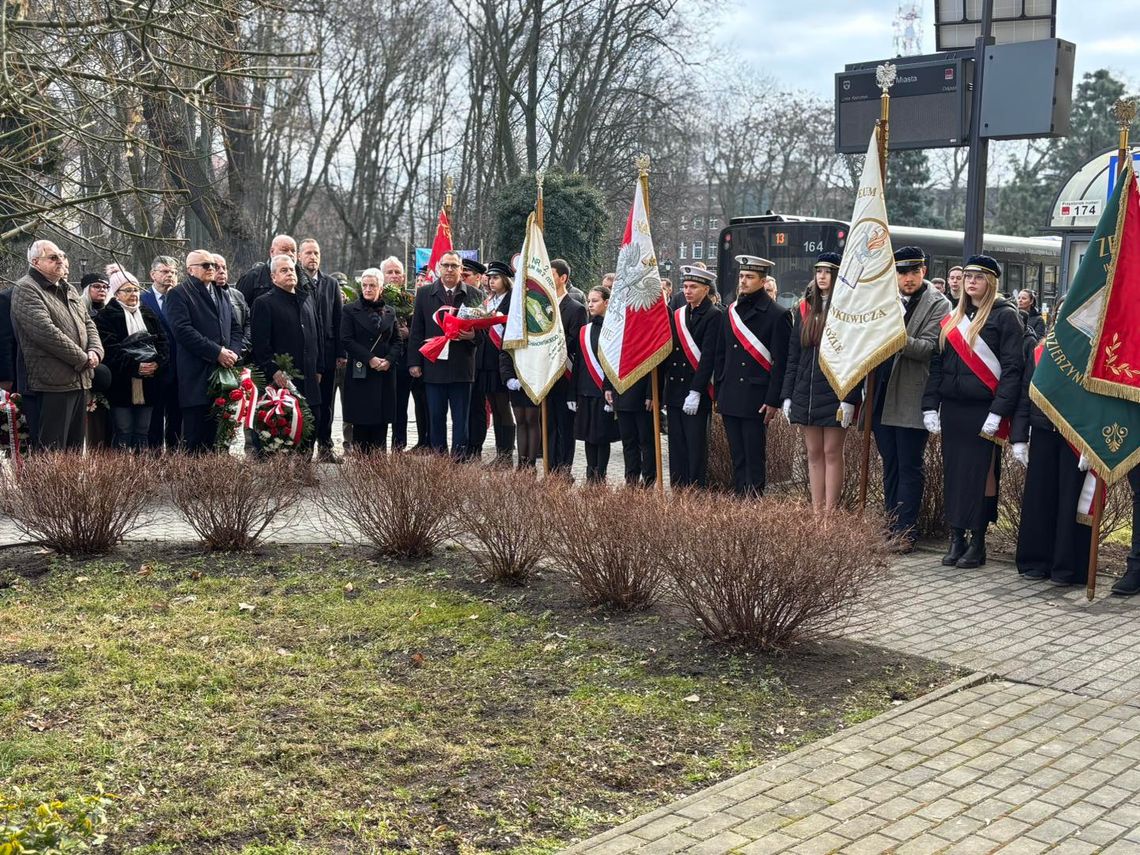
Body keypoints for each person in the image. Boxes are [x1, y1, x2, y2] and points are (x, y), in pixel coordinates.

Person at [923, 255, 1023, 569]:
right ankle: (957, 536)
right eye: (968, 276)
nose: (971, 282)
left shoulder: (1006, 316)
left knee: (982, 475)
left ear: (991, 282)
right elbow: (936, 367)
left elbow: (1012, 369)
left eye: (979, 277)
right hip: (953, 409)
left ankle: (977, 540)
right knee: (954, 474)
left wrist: (999, 411)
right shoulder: (953, 317)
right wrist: (930, 405)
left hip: (984, 411)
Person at [872, 246, 951, 551]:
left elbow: (928, 348)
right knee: (889, 464)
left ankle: (905, 532)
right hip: (882, 395)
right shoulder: (887, 300)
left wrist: (892, 334)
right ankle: (890, 525)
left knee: (909, 465)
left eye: (913, 272)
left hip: (911, 396)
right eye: (902, 273)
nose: (907, 279)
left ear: (923, 273)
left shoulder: (938, 304)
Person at [781, 252, 861, 512]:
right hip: (806, 390)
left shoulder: (848, 312)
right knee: (813, 453)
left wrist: (849, 398)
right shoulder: (804, 308)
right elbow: (793, 356)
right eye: (818, 271)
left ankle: (830, 513)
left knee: (831, 452)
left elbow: (855, 358)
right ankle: (817, 513)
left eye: (828, 271)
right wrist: (788, 395)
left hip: (835, 391)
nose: (822, 276)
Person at [1011, 336, 1092, 587]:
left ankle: (1066, 567)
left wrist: (1091, 445)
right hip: (1043, 431)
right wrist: (1019, 437)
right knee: (1039, 499)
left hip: (1074, 438)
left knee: (1070, 502)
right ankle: (1036, 561)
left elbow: (1096, 402)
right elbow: (1027, 394)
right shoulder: (1040, 351)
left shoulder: (1092, 353)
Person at [11, 239, 103, 450]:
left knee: (74, 450)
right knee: (52, 451)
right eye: (53, 257)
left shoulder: (68, 288)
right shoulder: (26, 288)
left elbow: (88, 323)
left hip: (79, 379)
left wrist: (96, 351)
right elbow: (45, 332)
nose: (61, 260)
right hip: (51, 383)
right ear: (35, 262)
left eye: (62, 256)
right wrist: (82, 358)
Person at [715, 255, 790, 497]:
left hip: (756, 396)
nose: (743, 282)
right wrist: (720, 389)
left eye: (749, 277)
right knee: (737, 454)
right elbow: (721, 354)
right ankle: (740, 499)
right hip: (730, 394)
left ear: (762, 280)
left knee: (754, 455)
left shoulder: (777, 314)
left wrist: (773, 400)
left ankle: (754, 502)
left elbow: (781, 363)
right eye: (741, 276)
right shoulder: (730, 312)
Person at [165, 249, 243, 453]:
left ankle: (213, 482)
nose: (212, 269)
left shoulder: (221, 293)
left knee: (219, 435)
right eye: (206, 265)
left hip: (223, 374)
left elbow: (235, 327)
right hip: (196, 374)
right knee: (196, 437)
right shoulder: (178, 293)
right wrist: (217, 352)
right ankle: (195, 482)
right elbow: (182, 330)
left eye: (214, 265)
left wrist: (233, 352)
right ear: (190, 270)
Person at [407, 250, 479, 457]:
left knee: (460, 418)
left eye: (454, 266)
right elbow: (416, 331)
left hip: (462, 366)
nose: (449, 269)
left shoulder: (474, 295)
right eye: (446, 265)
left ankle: (459, 458)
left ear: (461, 269)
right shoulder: (424, 293)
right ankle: (439, 459)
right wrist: (414, 363)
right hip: (434, 365)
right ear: (439, 268)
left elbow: (482, 334)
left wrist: (471, 336)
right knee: (436, 416)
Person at [95, 264, 169, 451]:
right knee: (124, 430)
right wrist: (135, 366)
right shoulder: (106, 316)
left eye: (136, 289)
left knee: (143, 432)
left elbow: (163, 342)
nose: (133, 294)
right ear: (116, 293)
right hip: (121, 383)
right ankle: (121, 475)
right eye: (127, 290)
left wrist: (156, 363)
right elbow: (109, 350)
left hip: (149, 382)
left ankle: (141, 474)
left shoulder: (147, 313)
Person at [664, 266, 722, 488]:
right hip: (675, 390)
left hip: (695, 391)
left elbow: (708, 357)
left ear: (705, 289)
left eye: (693, 287)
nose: (687, 291)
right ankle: (678, 488)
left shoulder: (714, 315)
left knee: (695, 446)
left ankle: (696, 491)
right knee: (676, 445)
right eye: (685, 286)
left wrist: (696, 391)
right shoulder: (678, 314)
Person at [339, 268, 403, 452]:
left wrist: (389, 361)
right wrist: (371, 359)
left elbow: (397, 341)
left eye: (372, 285)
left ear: (380, 288)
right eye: (364, 285)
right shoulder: (350, 310)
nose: (367, 289)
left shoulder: (390, 312)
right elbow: (346, 339)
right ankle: (362, 470)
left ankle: (379, 468)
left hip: (384, 374)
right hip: (362, 373)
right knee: (362, 422)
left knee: (381, 424)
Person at [299, 238, 344, 461]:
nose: (312, 257)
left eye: (316, 253)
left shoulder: (330, 283)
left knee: (326, 403)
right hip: (304, 353)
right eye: (308, 253)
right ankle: (303, 448)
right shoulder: (295, 281)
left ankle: (325, 445)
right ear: (299, 256)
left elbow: (338, 319)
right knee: (306, 402)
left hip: (326, 353)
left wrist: (340, 353)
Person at [545, 258, 588, 476]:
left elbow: (576, 341)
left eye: (550, 274)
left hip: (566, 373)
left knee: (564, 426)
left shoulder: (576, 308)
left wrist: (551, 343)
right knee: (549, 423)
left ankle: (564, 470)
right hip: (546, 373)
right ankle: (550, 467)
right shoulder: (542, 306)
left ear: (563, 278)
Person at [574, 285, 620, 483]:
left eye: (595, 301)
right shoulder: (585, 330)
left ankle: (600, 474)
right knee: (587, 435)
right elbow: (578, 364)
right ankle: (590, 472)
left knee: (601, 435)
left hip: (604, 390)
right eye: (589, 301)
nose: (590, 304)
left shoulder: (614, 329)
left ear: (607, 303)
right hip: (585, 390)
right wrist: (571, 393)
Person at [473, 260, 515, 466]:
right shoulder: (489, 300)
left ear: (506, 280)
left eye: (495, 277)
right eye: (489, 277)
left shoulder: (512, 301)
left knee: (502, 407)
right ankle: (500, 453)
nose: (490, 281)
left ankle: (506, 455)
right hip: (484, 360)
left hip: (501, 361)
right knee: (494, 408)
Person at [142, 255, 182, 451]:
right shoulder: (142, 300)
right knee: (155, 417)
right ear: (153, 274)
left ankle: (175, 458)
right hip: (155, 368)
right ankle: (156, 456)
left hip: (180, 367)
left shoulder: (183, 299)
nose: (170, 276)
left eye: (174, 272)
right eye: (165, 272)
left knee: (176, 417)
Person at [237, 234, 300, 308]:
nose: (290, 254)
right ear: (272, 252)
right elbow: (239, 309)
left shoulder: (304, 280)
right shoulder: (253, 277)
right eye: (285, 250)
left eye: (293, 251)